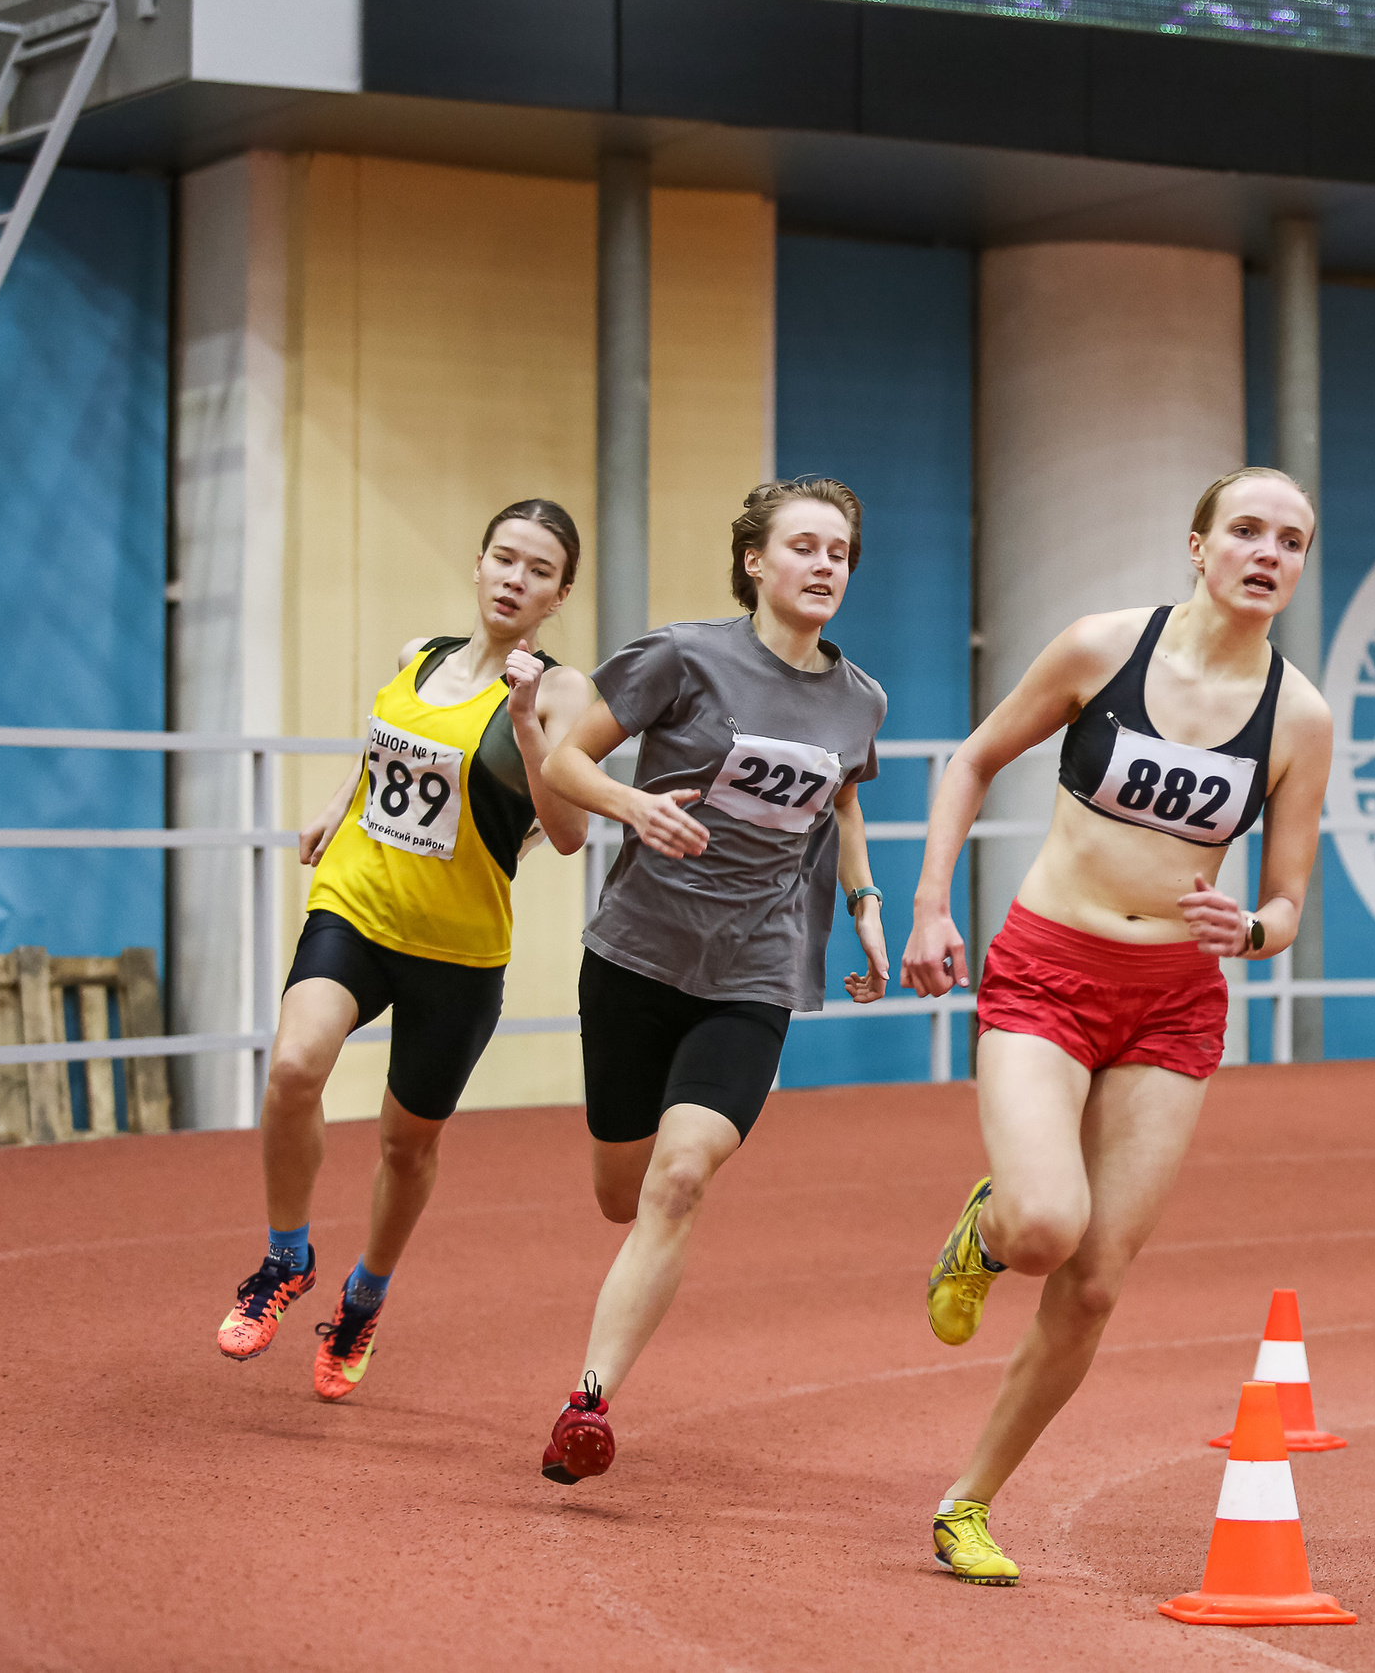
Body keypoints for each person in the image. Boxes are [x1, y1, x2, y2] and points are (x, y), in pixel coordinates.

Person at [900, 466, 1332, 1585]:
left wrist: (1251, 929)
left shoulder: (1298, 715)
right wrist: (932, 903)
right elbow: (974, 759)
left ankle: (967, 1503)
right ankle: (985, 1232)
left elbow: (1286, 902)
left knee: (1092, 1283)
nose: (1266, 552)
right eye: (1245, 529)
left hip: (1174, 1000)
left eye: (1289, 540)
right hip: (1048, 968)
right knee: (1045, 1228)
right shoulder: (1101, 649)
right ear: (1198, 546)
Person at [533, 478, 889, 1485]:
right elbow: (565, 763)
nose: (825, 567)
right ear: (754, 562)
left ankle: (587, 1403)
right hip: (636, 955)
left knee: (680, 1178)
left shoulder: (859, 698)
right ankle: (625, 1213)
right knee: (621, 1192)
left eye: (841, 554)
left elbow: (844, 804)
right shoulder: (682, 657)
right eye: (806, 548)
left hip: (753, 966)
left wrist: (865, 913)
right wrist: (634, 809)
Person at [216, 500, 593, 1401]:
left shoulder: (563, 691)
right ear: (477, 564)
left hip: (457, 948)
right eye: (504, 558)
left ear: (559, 594)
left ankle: (363, 1301)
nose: (515, 578)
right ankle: (284, 1258)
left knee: (405, 1143)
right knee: (295, 1066)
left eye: (538, 570)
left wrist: (532, 722)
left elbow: (569, 831)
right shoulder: (416, 658)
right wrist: (337, 805)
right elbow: (386, 755)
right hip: (357, 903)